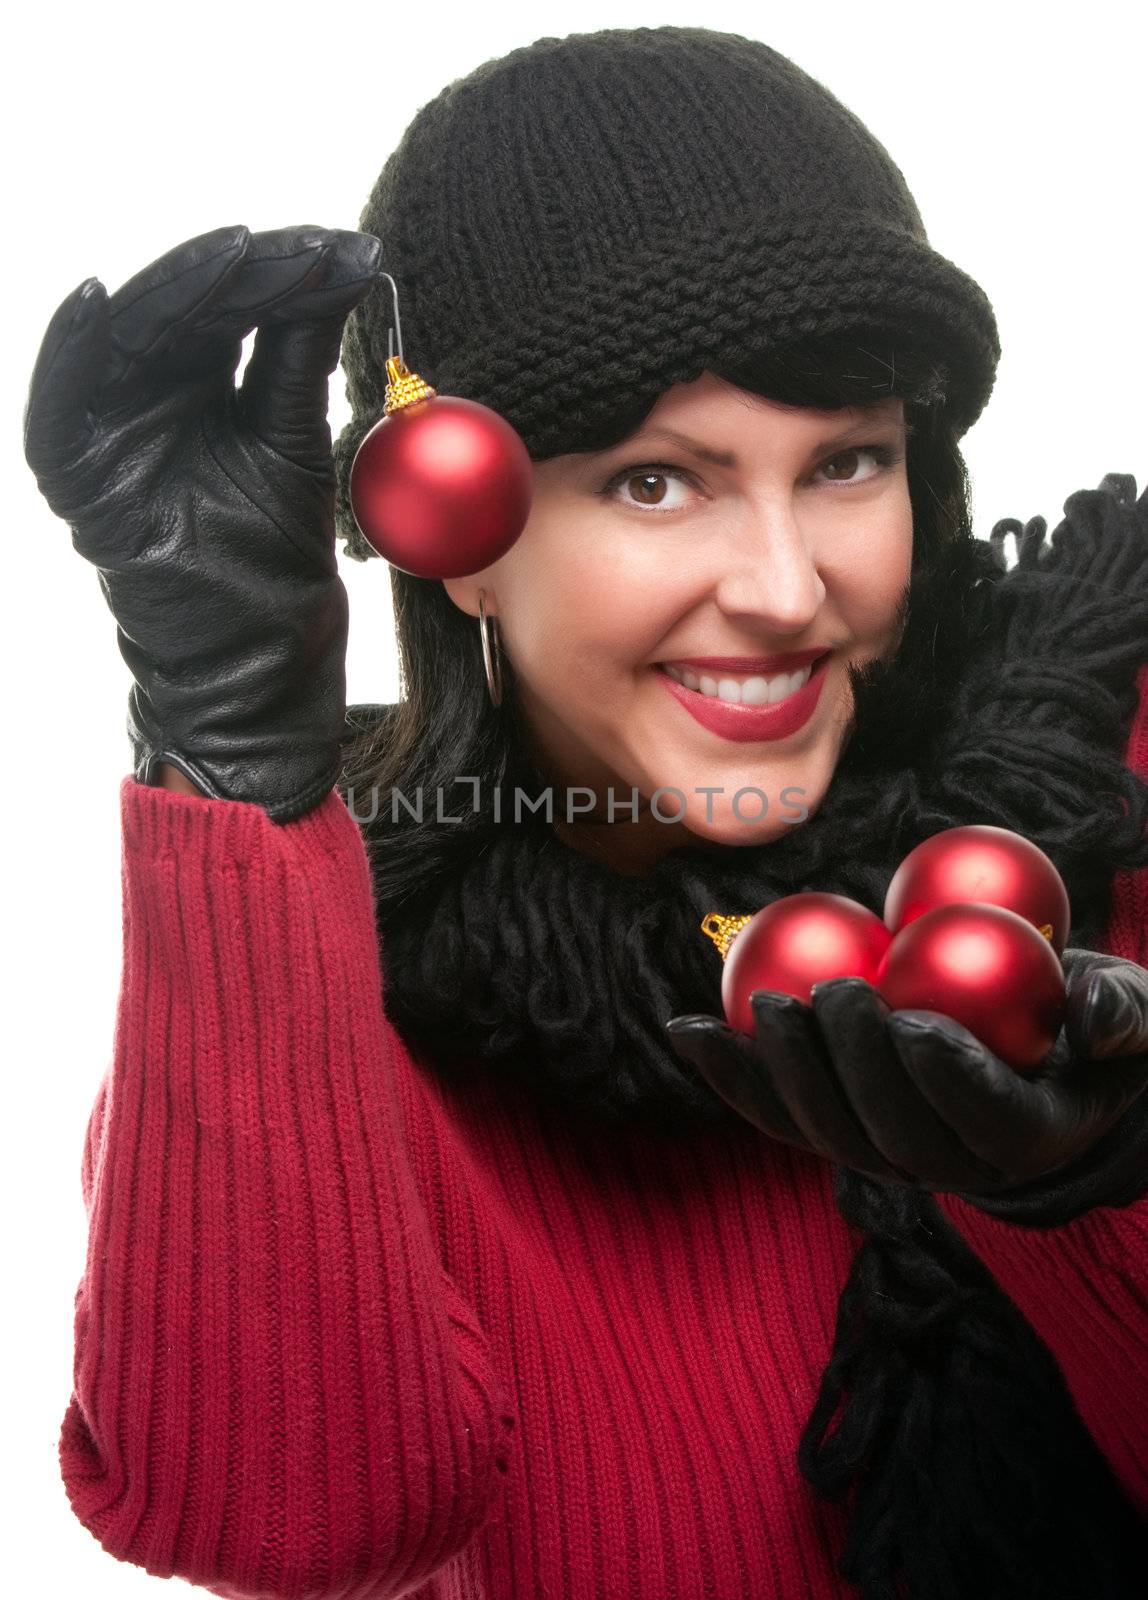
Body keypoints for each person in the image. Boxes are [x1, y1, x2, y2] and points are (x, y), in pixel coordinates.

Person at [23, 24, 1148, 1600]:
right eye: (653, 483)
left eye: (848, 463)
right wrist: (230, 752)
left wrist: (1094, 1187)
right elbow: (278, 1526)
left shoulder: (1101, 797)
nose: (783, 591)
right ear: (459, 532)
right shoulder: (325, 991)